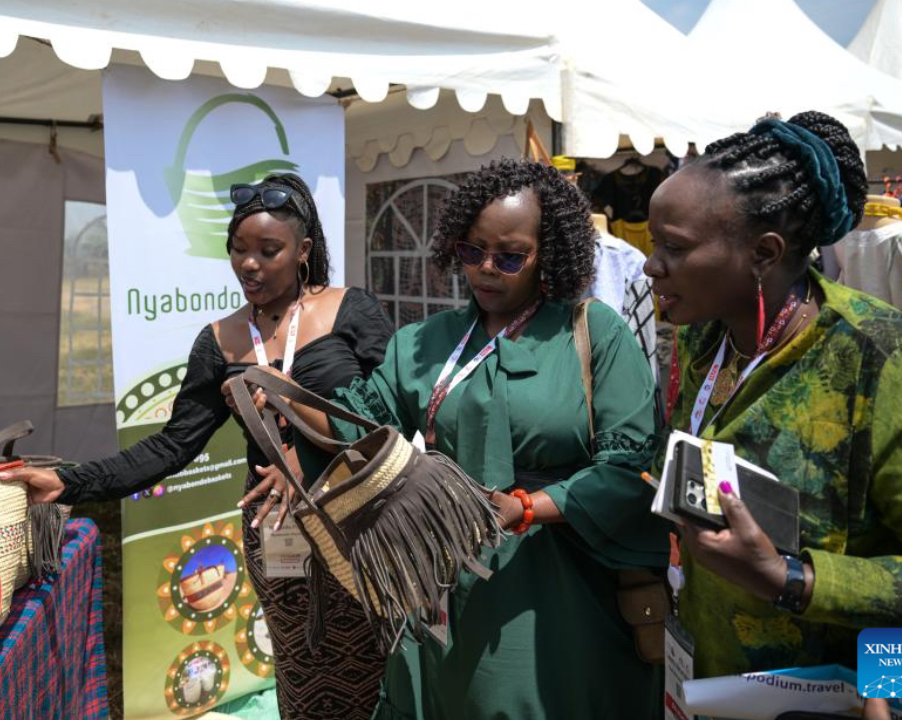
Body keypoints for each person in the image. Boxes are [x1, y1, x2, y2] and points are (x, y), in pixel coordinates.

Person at [230, 159, 668, 719]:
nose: (486, 270)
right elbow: (355, 427)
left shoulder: (592, 330)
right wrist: (285, 394)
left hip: (564, 582)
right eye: (470, 251)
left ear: (548, 255)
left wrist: (527, 508)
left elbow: (630, 466)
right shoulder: (425, 342)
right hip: (447, 574)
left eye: (509, 257)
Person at [3, 174, 394, 719]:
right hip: (279, 537)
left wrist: (303, 452)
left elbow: (390, 418)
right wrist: (70, 481)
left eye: (268, 250)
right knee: (306, 683)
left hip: (361, 528)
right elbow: (171, 446)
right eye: (237, 250)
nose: (248, 265)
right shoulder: (219, 341)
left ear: (303, 251)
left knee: (380, 676)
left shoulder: (350, 311)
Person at [646, 111, 902, 698]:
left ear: (764, 252)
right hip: (711, 686)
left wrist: (792, 580)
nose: (650, 264)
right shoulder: (704, 338)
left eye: (674, 248)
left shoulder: (894, 366)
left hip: (845, 700)